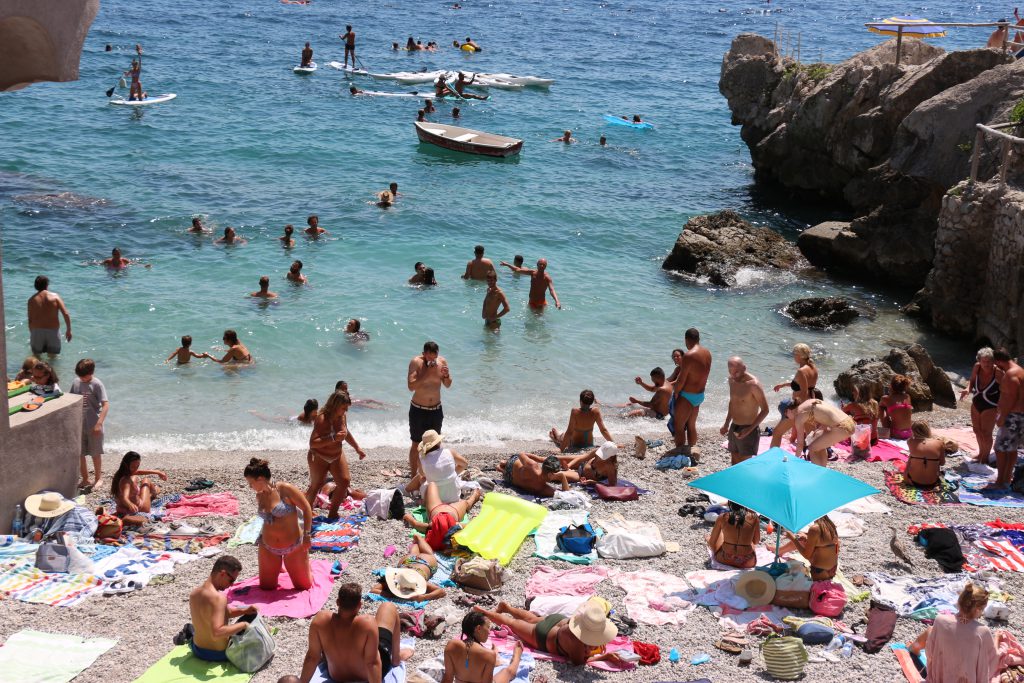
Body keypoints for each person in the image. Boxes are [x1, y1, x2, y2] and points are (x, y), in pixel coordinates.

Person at [300, 583, 409, 683]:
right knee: (388, 607)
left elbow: (312, 657)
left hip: (337, 676)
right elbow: (372, 663)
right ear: (360, 605)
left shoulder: (320, 620)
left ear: (338, 602)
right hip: (366, 676)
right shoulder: (367, 623)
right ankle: (396, 659)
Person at [470, 599, 621, 667]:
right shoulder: (578, 644)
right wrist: (604, 656)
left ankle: (507, 608)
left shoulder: (580, 622)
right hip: (542, 635)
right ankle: (484, 612)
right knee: (512, 624)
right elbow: (579, 662)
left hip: (558, 621)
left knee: (532, 618)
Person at [244, 458, 314, 590]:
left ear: (260, 479)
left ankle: (305, 566)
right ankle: (279, 566)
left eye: (250, 483)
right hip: (267, 546)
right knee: (266, 588)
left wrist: (307, 535)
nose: (249, 487)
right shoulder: (260, 496)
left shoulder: (285, 489)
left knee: (304, 587)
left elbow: (307, 508)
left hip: (293, 546)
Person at [906, 583, 997, 683]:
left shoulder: (940, 620)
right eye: (982, 610)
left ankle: (913, 649)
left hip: (939, 679)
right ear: (977, 609)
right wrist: (997, 639)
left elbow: (930, 653)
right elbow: (989, 664)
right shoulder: (983, 631)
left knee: (930, 631)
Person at [307, 391, 366, 518]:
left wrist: (357, 448)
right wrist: (333, 438)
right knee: (316, 484)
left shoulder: (342, 416)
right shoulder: (322, 419)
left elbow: (346, 433)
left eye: (347, 408)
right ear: (335, 406)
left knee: (344, 482)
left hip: (336, 455)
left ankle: (333, 512)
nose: (346, 411)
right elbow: (313, 443)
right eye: (344, 408)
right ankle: (307, 512)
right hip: (319, 456)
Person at [188, 556, 258, 662]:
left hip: (197, 650)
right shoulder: (219, 598)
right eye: (231, 580)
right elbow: (217, 632)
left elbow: (226, 613)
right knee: (251, 622)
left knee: (249, 614)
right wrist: (243, 625)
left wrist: (245, 610)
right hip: (218, 654)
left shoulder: (194, 593)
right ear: (222, 574)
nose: (231, 585)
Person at [407, 341, 452, 474]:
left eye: (435, 357)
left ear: (437, 354)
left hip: (436, 410)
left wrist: (446, 376)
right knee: (416, 443)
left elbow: (448, 385)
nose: (432, 360)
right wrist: (427, 372)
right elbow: (411, 386)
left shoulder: (442, 362)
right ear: (423, 354)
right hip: (418, 409)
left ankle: (433, 473)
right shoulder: (416, 363)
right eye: (429, 357)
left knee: (435, 443)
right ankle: (413, 475)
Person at [442, 612, 523, 683]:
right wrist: (491, 657)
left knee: (490, 657)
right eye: (488, 627)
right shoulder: (488, 655)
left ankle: (495, 657)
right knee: (507, 672)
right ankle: (517, 656)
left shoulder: (451, 646)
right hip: (486, 657)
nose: (489, 632)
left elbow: (447, 679)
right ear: (478, 628)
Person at [668, 328, 713, 457]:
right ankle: (692, 450)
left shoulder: (689, 355)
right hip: (699, 395)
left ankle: (680, 454)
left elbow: (681, 379)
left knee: (679, 426)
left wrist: (676, 393)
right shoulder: (707, 353)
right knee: (692, 425)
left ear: (686, 340)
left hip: (687, 396)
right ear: (698, 339)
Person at [719, 357, 770, 464]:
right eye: (731, 372)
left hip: (749, 429)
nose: (734, 376)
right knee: (734, 460)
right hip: (734, 427)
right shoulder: (731, 380)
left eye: (736, 372)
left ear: (744, 368)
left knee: (744, 465)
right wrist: (726, 424)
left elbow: (765, 410)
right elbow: (732, 402)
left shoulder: (754, 385)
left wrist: (750, 429)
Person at [402, 482, 481, 551]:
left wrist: (409, 518)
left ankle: (473, 497)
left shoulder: (452, 526)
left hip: (445, 510)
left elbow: (415, 524)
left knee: (432, 484)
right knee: (466, 503)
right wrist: (408, 518)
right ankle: (474, 497)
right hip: (447, 511)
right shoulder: (451, 526)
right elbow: (415, 524)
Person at [769, 343, 819, 448]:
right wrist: (783, 385)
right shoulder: (813, 367)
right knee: (812, 438)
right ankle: (816, 459)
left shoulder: (801, 371)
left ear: (799, 356)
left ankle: (772, 459)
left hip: (801, 407)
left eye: (794, 353)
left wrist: (793, 409)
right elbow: (805, 386)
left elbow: (803, 393)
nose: (793, 356)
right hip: (811, 405)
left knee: (777, 432)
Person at [70, 358, 109, 491]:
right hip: (79, 424)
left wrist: (99, 423)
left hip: (94, 424)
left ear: (91, 373)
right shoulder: (76, 382)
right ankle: (85, 478)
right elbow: (71, 401)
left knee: (95, 453)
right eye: (79, 376)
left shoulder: (97, 384)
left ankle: (99, 478)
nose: (81, 378)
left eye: (83, 376)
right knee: (80, 453)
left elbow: (105, 404)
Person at [961, 347, 1003, 465]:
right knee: (976, 430)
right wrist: (967, 389)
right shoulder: (977, 367)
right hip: (976, 403)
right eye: (984, 361)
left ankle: (985, 457)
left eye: (989, 361)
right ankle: (981, 453)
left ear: (994, 361)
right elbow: (972, 381)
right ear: (979, 360)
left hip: (991, 405)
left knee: (986, 433)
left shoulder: (998, 372)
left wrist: (1002, 406)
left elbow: (1006, 390)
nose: (986, 364)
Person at [787, 397, 855, 467]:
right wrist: (818, 432)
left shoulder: (799, 416)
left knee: (812, 448)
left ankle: (818, 472)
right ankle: (822, 469)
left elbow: (800, 444)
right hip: (850, 422)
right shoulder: (809, 402)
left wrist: (794, 460)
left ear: (789, 411)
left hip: (841, 428)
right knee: (820, 445)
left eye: (786, 416)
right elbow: (826, 417)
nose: (787, 418)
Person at [407, 429, 468, 503]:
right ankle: (408, 490)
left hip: (433, 500)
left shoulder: (422, 459)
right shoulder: (450, 452)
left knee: (421, 477)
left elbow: (423, 474)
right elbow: (465, 464)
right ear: (438, 442)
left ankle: (407, 490)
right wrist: (452, 472)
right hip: (454, 497)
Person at [771, 515, 839, 581]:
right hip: (832, 569)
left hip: (819, 572)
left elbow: (806, 555)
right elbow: (836, 548)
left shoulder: (814, 528)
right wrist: (806, 538)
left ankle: (778, 551)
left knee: (798, 541)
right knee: (802, 540)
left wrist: (792, 538)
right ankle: (779, 550)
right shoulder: (830, 525)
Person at [994, 348, 1024, 489]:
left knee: (1000, 449)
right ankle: (1006, 478)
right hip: (1019, 416)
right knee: (1011, 449)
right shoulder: (1019, 370)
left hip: (1011, 417)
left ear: (999, 361)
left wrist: (1002, 417)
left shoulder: (1010, 375)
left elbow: (1010, 398)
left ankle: (1000, 481)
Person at [111, 451, 167, 527]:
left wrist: (157, 472)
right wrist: (130, 504)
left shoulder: (120, 474)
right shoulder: (126, 481)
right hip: (140, 508)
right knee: (146, 481)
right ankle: (153, 494)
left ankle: (152, 494)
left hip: (121, 509)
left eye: (137, 466)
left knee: (140, 482)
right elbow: (125, 497)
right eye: (133, 467)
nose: (135, 469)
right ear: (126, 465)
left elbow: (139, 472)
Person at [22, 491, 97, 543]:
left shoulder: (69, 515)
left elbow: (69, 535)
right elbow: (35, 526)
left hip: (82, 515)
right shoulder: (42, 506)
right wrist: (38, 532)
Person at [27, 275, 72, 355]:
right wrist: (68, 330)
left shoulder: (31, 300)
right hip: (53, 331)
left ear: (35, 286)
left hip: (37, 331)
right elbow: (66, 314)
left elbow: (30, 320)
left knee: (36, 358)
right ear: (47, 285)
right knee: (53, 358)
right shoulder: (55, 297)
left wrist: (32, 334)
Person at [707, 502, 760, 568]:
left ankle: (708, 538)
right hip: (748, 562)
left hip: (725, 559)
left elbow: (712, 543)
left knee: (719, 535)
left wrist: (716, 549)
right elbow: (756, 541)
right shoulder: (754, 518)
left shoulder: (722, 517)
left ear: (730, 503)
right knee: (750, 542)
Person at [498, 453, 573, 497]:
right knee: (518, 465)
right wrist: (562, 477)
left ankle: (504, 465)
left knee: (520, 464)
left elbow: (521, 454)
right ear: (550, 474)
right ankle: (502, 466)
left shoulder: (533, 465)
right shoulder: (543, 489)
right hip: (509, 478)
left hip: (511, 470)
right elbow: (566, 494)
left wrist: (538, 459)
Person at [904, 421, 949, 488]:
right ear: (928, 430)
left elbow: (911, 460)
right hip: (932, 482)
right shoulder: (940, 443)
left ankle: (907, 474)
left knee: (912, 457)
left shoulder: (910, 441)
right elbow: (942, 463)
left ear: (913, 431)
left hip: (913, 481)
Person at [879, 375, 914, 439]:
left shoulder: (885, 398)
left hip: (896, 433)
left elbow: (880, 406)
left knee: (881, 408)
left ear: (891, 386)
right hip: (909, 432)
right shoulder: (907, 397)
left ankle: (885, 429)